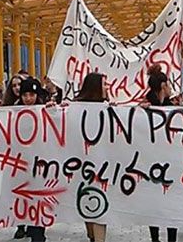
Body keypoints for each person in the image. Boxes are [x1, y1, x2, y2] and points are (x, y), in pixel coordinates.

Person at [140, 64, 177, 242]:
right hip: (152, 160)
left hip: (168, 160)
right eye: (168, 85)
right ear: (163, 86)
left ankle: (170, 238)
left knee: (171, 202)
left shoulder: (171, 107)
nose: (170, 88)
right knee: (155, 202)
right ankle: (156, 238)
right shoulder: (144, 107)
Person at [74, 72, 109, 242]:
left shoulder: (108, 108)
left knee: (100, 209)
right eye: (104, 84)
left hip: (103, 168)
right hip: (81, 166)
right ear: (95, 87)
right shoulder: (76, 107)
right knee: (88, 206)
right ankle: (93, 237)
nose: (107, 87)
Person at [12, 78, 47, 242]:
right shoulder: (11, 112)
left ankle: (38, 233)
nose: (28, 98)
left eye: (32, 94)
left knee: (39, 199)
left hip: (41, 167)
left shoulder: (46, 111)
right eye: (25, 94)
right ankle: (25, 226)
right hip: (20, 165)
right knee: (24, 198)